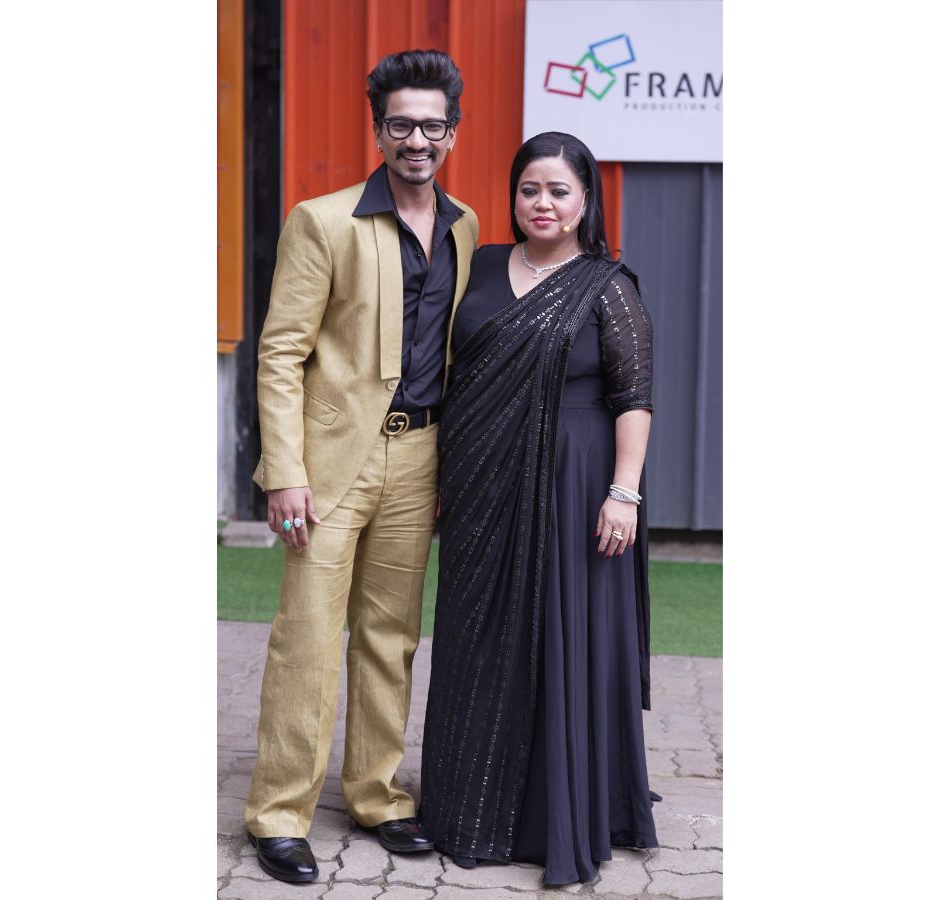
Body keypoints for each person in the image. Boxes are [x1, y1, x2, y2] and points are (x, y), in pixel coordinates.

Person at [243, 49, 479, 884]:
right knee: (308, 637)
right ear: (378, 129)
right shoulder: (323, 220)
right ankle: (279, 814)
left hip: (420, 456)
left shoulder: (465, 225)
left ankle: (377, 794)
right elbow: (280, 352)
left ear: (453, 131)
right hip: (329, 462)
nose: (417, 140)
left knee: (390, 636)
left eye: (432, 126)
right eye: (401, 125)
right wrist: (284, 470)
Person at [419, 131, 658, 885]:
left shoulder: (608, 285)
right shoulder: (482, 264)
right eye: (529, 189)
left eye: (558, 190)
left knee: (559, 635)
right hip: (480, 483)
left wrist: (624, 492)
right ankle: (466, 803)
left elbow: (634, 397)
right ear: (513, 197)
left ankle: (555, 810)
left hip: (574, 483)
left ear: (586, 200)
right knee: (477, 635)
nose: (542, 203)